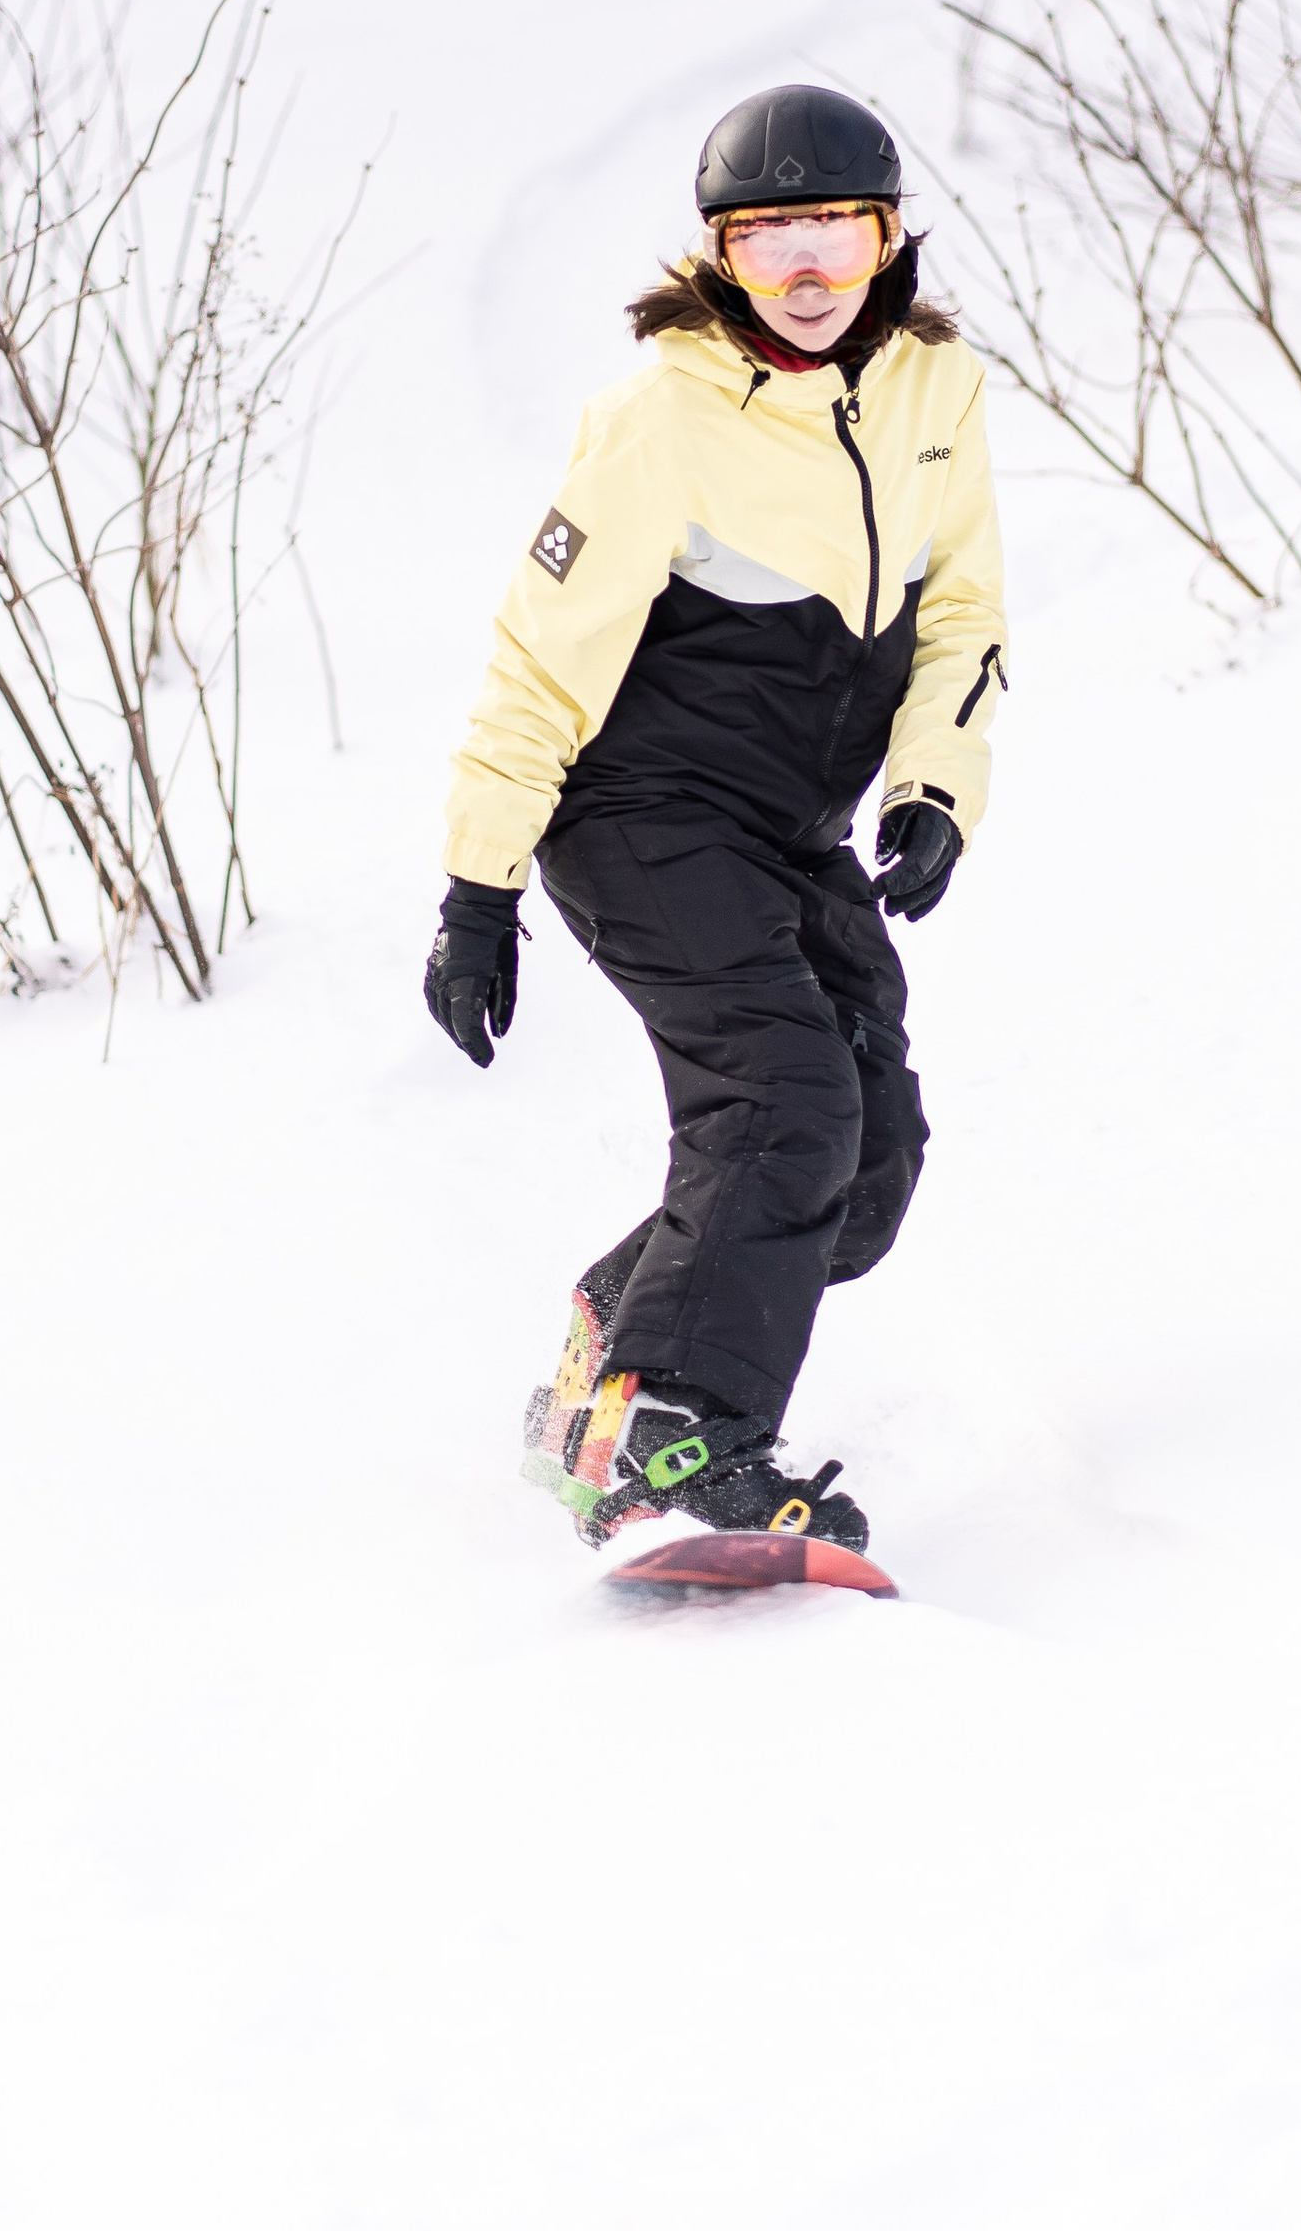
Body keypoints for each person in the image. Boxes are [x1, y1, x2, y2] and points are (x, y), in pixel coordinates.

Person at [425, 82, 1007, 1558]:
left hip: (787, 833)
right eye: (769, 247)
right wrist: (476, 893)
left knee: (863, 1173)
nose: (807, 278)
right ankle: (675, 1442)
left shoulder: (938, 395)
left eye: (838, 238)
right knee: (783, 1109)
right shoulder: (661, 418)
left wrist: (932, 788)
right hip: (640, 811)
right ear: (718, 257)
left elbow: (964, 615)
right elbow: (535, 659)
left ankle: (605, 1352)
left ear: (888, 243)